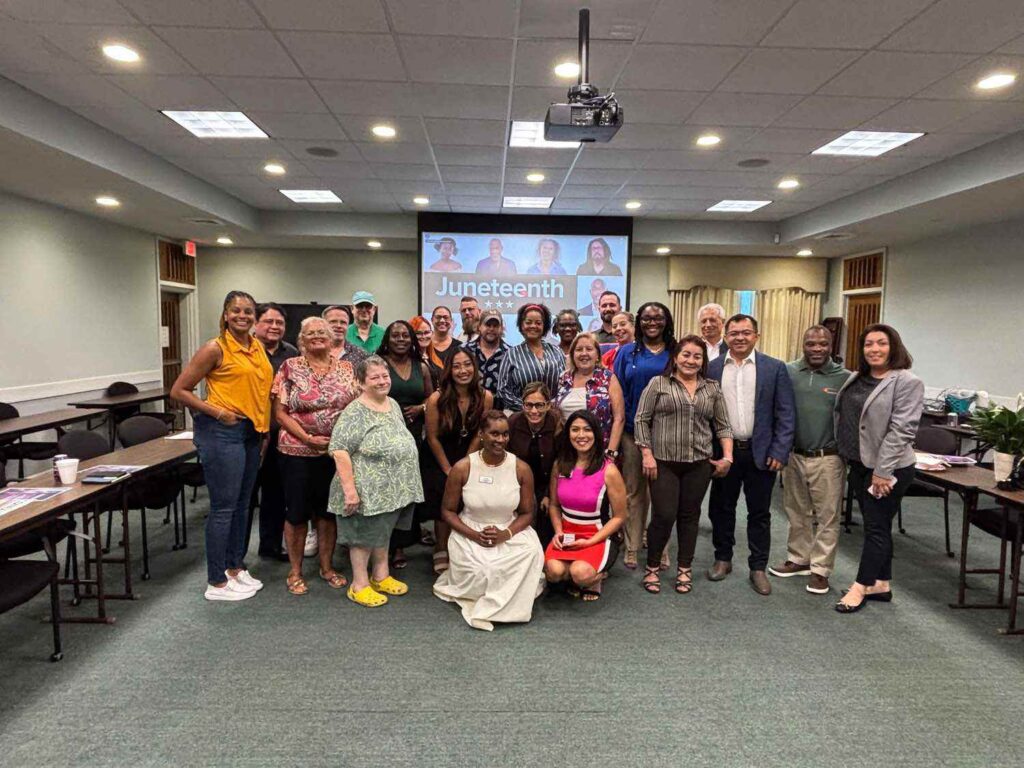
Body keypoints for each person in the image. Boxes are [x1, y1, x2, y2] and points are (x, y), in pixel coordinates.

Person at [171, 290, 271, 602]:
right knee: (224, 508)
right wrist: (217, 411)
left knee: (243, 505)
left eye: (249, 312)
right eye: (236, 311)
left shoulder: (256, 347)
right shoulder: (214, 349)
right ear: (226, 315)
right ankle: (216, 581)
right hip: (222, 432)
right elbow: (179, 390)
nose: (243, 316)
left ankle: (234, 567)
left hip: (250, 432)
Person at [634, 335, 734, 595]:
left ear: (703, 361)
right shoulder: (658, 383)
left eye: (697, 356)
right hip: (663, 462)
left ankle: (684, 569)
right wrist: (646, 453)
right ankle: (653, 567)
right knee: (664, 516)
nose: (691, 360)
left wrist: (727, 457)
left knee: (690, 517)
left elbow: (723, 425)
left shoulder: (711, 388)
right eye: (686, 354)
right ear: (676, 358)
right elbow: (641, 420)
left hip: (699, 463)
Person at [834, 324, 923, 614]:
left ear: (893, 346)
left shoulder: (907, 382)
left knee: (874, 528)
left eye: (881, 343)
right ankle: (882, 584)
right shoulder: (859, 377)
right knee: (879, 525)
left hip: (887, 470)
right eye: (868, 344)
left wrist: (883, 471)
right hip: (859, 464)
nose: (874, 349)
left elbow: (902, 430)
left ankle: (860, 586)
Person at [706, 314, 796, 596]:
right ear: (726, 336)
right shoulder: (712, 368)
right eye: (734, 333)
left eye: (746, 332)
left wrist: (780, 450)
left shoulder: (774, 368)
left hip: (762, 454)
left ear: (757, 335)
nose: (740, 338)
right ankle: (723, 558)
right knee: (722, 509)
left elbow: (785, 413)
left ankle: (758, 567)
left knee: (759, 513)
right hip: (725, 454)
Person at [433, 410, 545, 631]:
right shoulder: (462, 467)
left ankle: (503, 604)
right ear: (481, 434)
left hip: (510, 529)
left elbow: (526, 513)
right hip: (470, 529)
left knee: (531, 554)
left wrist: (506, 534)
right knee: (484, 571)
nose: (500, 440)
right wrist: (474, 535)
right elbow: (447, 511)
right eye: (494, 434)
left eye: (505, 435)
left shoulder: (521, 469)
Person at [329, 356, 424, 608]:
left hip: (391, 490)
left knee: (382, 532)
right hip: (365, 489)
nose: (383, 381)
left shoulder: (391, 403)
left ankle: (380, 575)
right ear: (360, 382)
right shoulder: (355, 410)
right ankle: (359, 585)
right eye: (375, 377)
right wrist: (350, 491)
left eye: (385, 376)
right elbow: (339, 450)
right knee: (362, 537)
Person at [272, 317, 358, 596]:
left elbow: (356, 406)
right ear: (302, 339)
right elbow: (280, 412)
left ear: (333, 337)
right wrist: (308, 438)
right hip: (296, 450)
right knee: (296, 512)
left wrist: (339, 440)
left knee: (327, 512)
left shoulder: (347, 368)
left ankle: (327, 567)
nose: (317, 337)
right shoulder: (289, 367)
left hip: (335, 452)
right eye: (311, 333)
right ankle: (295, 571)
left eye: (323, 332)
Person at [770, 326, 852, 595]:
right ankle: (799, 558)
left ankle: (820, 570)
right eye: (811, 344)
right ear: (803, 344)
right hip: (793, 454)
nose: (817, 349)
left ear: (831, 346)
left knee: (827, 516)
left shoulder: (845, 378)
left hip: (827, 458)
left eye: (823, 344)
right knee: (796, 511)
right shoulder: (788, 372)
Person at [614, 301, 675, 570]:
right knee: (634, 492)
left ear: (666, 321)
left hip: (666, 434)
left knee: (663, 495)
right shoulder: (627, 352)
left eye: (658, 318)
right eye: (646, 318)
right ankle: (632, 546)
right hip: (631, 433)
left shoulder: (676, 351)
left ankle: (660, 547)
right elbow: (616, 391)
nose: (652, 323)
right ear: (638, 323)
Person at [423, 349, 494, 575]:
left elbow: (479, 435)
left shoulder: (486, 397)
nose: (463, 371)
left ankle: (462, 546)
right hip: (439, 454)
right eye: (456, 366)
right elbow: (432, 437)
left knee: (470, 499)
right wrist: (448, 469)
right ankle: (441, 546)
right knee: (443, 496)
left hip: (470, 454)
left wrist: (465, 464)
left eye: (467, 365)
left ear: (474, 368)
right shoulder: (436, 398)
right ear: (449, 371)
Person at [544, 410, 628, 601]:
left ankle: (596, 577)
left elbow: (620, 516)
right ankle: (574, 576)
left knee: (580, 573)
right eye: (575, 430)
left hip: (597, 536)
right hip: (567, 534)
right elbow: (555, 506)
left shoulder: (609, 470)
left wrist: (590, 541)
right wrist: (558, 531)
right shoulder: (560, 465)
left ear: (596, 434)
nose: (581, 435)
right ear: (568, 434)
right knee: (553, 572)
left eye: (587, 430)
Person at [378, 320, 434, 569]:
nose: (400, 339)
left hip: (412, 438)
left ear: (412, 339)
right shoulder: (377, 365)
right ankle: (381, 545)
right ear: (387, 339)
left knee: (406, 493)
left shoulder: (420, 367)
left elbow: (432, 398)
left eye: (405, 335)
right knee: (384, 491)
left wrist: (420, 408)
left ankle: (399, 545)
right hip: (382, 437)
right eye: (395, 335)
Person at [246, 302, 298, 562]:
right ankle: (236, 556)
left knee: (276, 496)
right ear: (256, 324)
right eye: (268, 321)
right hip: (250, 435)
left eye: (279, 322)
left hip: (280, 435)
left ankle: (270, 545)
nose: (274, 327)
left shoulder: (291, 353)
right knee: (245, 498)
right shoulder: (246, 351)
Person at [508, 382, 560, 547]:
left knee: (545, 523)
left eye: (539, 405)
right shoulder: (513, 423)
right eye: (528, 405)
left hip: (547, 485)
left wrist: (549, 495)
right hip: (518, 484)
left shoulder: (557, 424)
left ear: (548, 405)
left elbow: (560, 463)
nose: (534, 411)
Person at [554, 333, 624, 455]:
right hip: (567, 450)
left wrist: (611, 453)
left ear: (597, 355)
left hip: (600, 452)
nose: (584, 353)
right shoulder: (564, 378)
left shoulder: (608, 378)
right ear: (572, 355)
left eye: (589, 349)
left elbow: (619, 418)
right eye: (579, 349)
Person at [497, 304, 565, 412]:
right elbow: (503, 390)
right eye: (528, 322)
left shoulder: (557, 351)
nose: (533, 326)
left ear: (544, 326)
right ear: (521, 326)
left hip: (554, 415)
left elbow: (566, 384)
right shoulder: (511, 354)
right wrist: (528, 407)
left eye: (538, 323)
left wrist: (551, 406)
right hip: (521, 415)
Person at [464, 309, 509, 409]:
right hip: (468, 410)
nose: (491, 329)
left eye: (495, 325)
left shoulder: (511, 354)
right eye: (488, 325)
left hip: (499, 414)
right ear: (479, 326)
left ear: (501, 328)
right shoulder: (464, 351)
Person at [425, 305, 462, 383]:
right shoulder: (424, 345)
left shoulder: (459, 346)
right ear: (432, 320)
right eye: (438, 317)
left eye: (446, 317)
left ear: (451, 321)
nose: (442, 320)